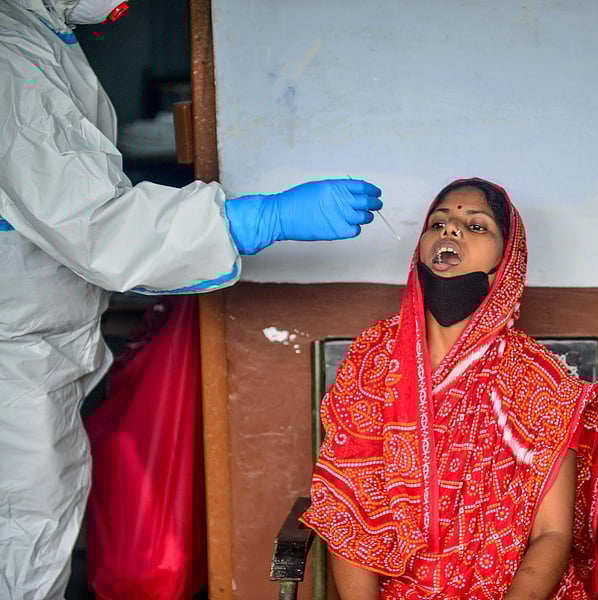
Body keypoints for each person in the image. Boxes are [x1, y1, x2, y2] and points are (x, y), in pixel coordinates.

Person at [0, 1, 382, 597]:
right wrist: (259, 219)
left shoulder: (42, 35)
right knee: (24, 539)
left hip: (32, 342)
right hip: (13, 349)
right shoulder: (9, 51)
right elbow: (97, 224)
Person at [301, 178, 598, 599]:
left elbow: (552, 533)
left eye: (477, 225)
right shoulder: (374, 361)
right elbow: (347, 514)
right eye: (438, 222)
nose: (450, 230)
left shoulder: (539, 381)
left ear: (506, 261)